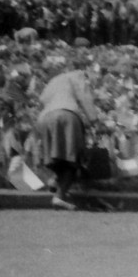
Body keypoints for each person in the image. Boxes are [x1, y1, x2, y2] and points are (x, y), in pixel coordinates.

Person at [36, 63, 98, 210]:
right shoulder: (79, 77)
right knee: (73, 160)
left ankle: (55, 180)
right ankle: (60, 196)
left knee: (56, 157)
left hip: (46, 117)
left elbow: (42, 100)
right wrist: (94, 120)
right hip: (67, 115)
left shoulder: (54, 81)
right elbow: (85, 98)